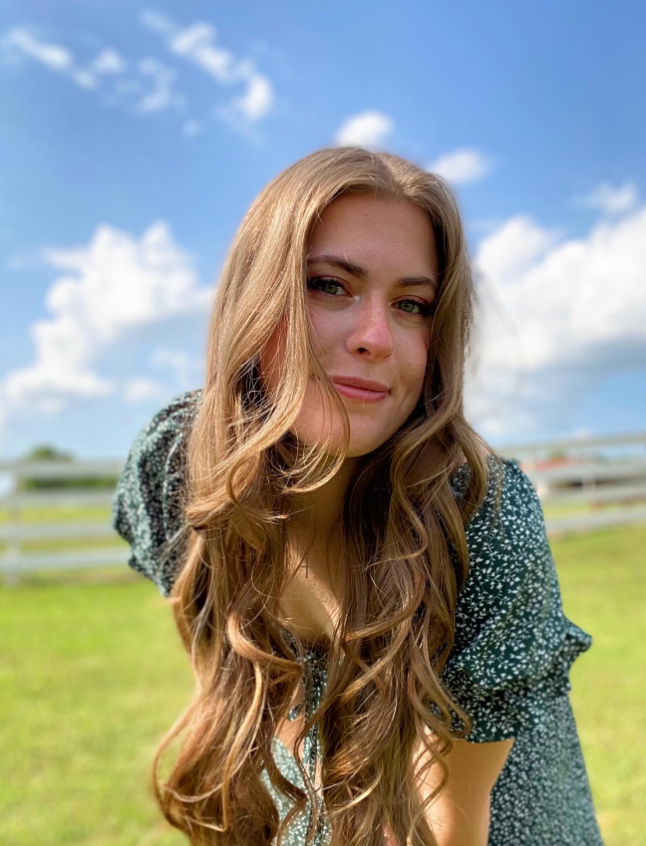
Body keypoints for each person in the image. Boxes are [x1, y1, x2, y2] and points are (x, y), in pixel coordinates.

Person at [112, 147, 605, 846]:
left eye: (411, 305)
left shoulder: (481, 517)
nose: (376, 337)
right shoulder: (177, 466)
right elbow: (221, 673)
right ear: (256, 297)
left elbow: (446, 827)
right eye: (329, 286)